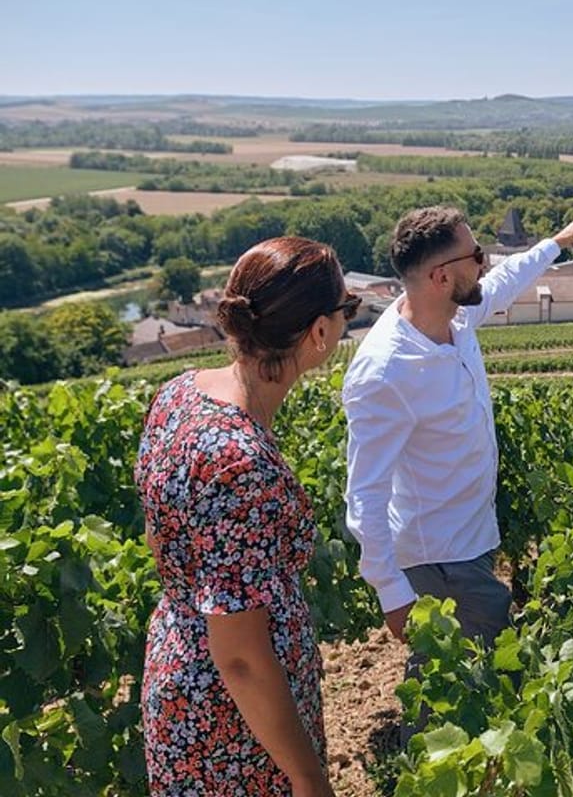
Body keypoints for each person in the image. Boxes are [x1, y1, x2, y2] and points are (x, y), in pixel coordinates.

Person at [137, 237, 359, 796]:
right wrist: (310, 779)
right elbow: (239, 657)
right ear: (319, 333)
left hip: (180, 671)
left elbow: (160, 536)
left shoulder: (178, 394)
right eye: (345, 312)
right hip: (234, 725)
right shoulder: (239, 460)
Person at [342, 207, 573, 661]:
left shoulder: (453, 318)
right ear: (441, 277)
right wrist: (391, 593)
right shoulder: (386, 371)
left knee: (463, 672)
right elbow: (365, 494)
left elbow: (502, 284)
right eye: (476, 255)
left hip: (472, 537)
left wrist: (556, 243)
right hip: (439, 557)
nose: (484, 264)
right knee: (483, 670)